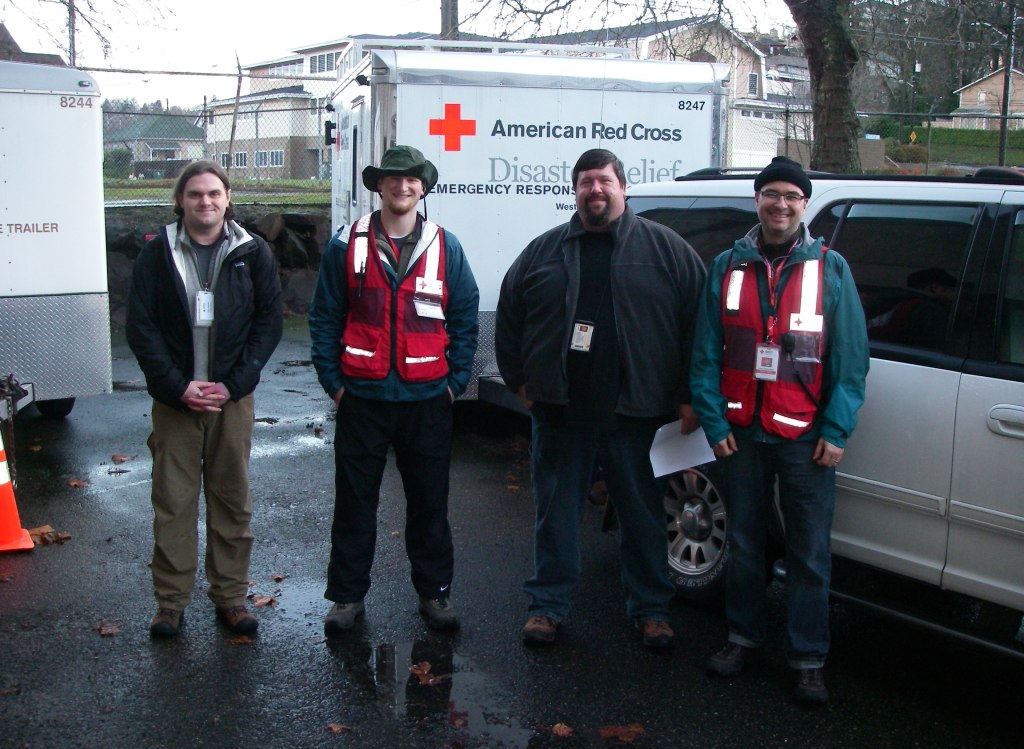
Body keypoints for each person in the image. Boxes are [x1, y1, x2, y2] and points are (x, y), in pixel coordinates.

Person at [495, 148, 706, 650]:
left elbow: (700, 324)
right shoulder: (543, 251)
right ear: (575, 190)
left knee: (642, 516)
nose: (596, 190)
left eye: (604, 181)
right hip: (561, 412)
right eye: (586, 182)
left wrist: (688, 395)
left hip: (637, 413)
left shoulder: (666, 250)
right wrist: (520, 381)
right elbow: (510, 315)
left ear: (623, 188)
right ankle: (547, 607)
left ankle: (652, 610)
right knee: (556, 515)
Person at [689, 156, 869, 704]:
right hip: (740, 435)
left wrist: (836, 431)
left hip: (804, 440)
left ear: (804, 204)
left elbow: (851, 361)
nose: (781, 204)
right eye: (771, 194)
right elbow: (705, 352)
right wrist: (715, 421)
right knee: (744, 546)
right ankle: (742, 637)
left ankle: (808, 656)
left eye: (791, 195)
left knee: (809, 554)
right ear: (758, 200)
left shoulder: (830, 269)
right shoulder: (727, 265)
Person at [309, 145, 479, 634]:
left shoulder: (447, 247)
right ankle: (346, 598)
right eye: (392, 179)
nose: (402, 187)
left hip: (427, 401)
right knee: (354, 504)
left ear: (423, 188)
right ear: (378, 186)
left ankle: (435, 594)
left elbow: (465, 313)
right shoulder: (348, 243)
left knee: (430, 506)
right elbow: (323, 316)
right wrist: (334, 385)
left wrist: (455, 382)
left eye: (411, 180)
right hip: (362, 399)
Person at [127, 160, 283, 638]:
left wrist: (234, 384)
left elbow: (268, 323)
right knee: (173, 503)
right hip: (178, 401)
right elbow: (142, 326)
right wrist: (176, 387)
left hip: (230, 400)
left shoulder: (251, 252)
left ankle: (231, 598)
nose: (205, 202)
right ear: (181, 200)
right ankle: (170, 604)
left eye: (214, 193)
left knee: (232, 500)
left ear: (227, 197)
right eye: (195, 194)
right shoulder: (157, 254)